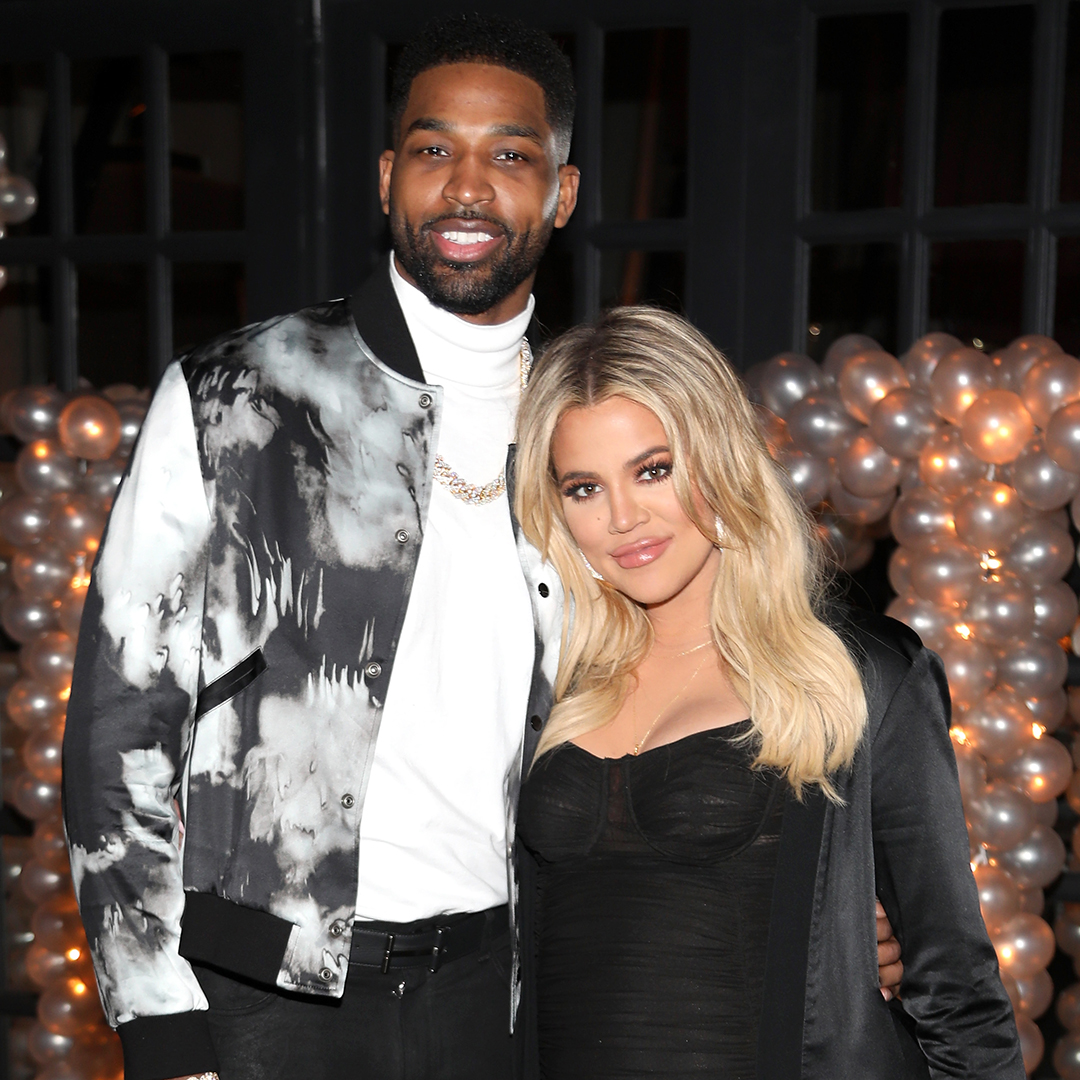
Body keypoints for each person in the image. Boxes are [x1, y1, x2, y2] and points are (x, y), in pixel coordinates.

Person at [62, 14, 901, 1080]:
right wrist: (159, 1022)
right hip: (263, 998)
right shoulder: (239, 396)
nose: (467, 186)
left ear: (562, 191)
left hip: (506, 992)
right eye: (432, 151)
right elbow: (116, 729)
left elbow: (714, 665)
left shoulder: (587, 426)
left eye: (509, 155)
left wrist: (834, 897)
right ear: (385, 178)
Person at [512, 305, 1024, 1080]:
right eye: (584, 488)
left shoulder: (858, 676)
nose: (623, 518)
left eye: (655, 469)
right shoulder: (545, 679)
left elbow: (956, 990)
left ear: (720, 458)